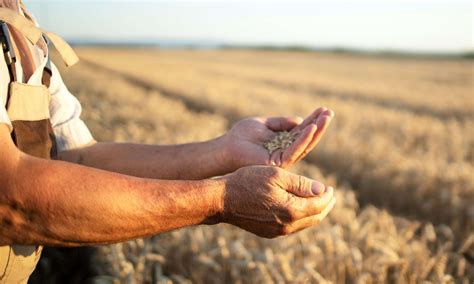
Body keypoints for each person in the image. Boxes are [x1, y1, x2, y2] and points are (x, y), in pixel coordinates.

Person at [0, 0, 336, 283]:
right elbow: (9, 197)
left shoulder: (22, 25)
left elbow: (75, 158)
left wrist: (224, 150)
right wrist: (222, 199)